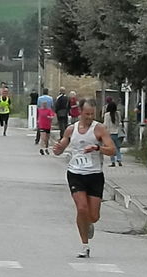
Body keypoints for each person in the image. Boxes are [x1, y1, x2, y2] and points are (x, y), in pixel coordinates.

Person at [52, 98, 116, 258]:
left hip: (94, 175)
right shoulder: (71, 129)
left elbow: (112, 150)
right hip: (75, 173)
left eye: (92, 114)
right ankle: (84, 245)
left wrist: (97, 147)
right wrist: (58, 148)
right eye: (86, 114)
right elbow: (60, 149)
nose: (89, 117)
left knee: (94, 216)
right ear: (80, 112)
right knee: (81, 208)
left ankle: (88, 223)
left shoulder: (99, 129)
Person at [103, 101, 124, 167]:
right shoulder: (118, 114)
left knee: (111, 148)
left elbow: (105, 125)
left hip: (110, 134)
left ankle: (113, 162)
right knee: (117, 148)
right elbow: (120, 123)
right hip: (118, 133)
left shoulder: (107, 115)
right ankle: (119, 159)